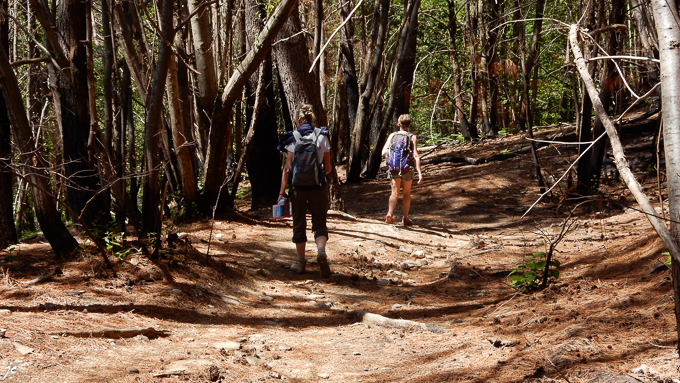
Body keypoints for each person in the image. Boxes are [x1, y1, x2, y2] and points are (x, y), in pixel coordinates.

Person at [278, 104, 333, 278]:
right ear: (311, 119)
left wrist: (281, 192)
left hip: (297, 189)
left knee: (299, 223)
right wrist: (320, 174)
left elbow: (287, 168)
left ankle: (300, 263)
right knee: (319, 222)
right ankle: (321, 251)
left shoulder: (292, 138)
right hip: (318, 187)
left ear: (298, 119)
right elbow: (329, 167)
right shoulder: (322, 136)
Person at [381, 114, 423, 226]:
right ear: (409, 124)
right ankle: (405, 218)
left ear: (398, 124)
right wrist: (419, 172)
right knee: (406, 193)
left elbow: (383, 152)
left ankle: (390, 213)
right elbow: (415, 155)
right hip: (407, 169)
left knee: (394, 193)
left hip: (394, 168)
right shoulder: (412, 137)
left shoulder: (392, 136)